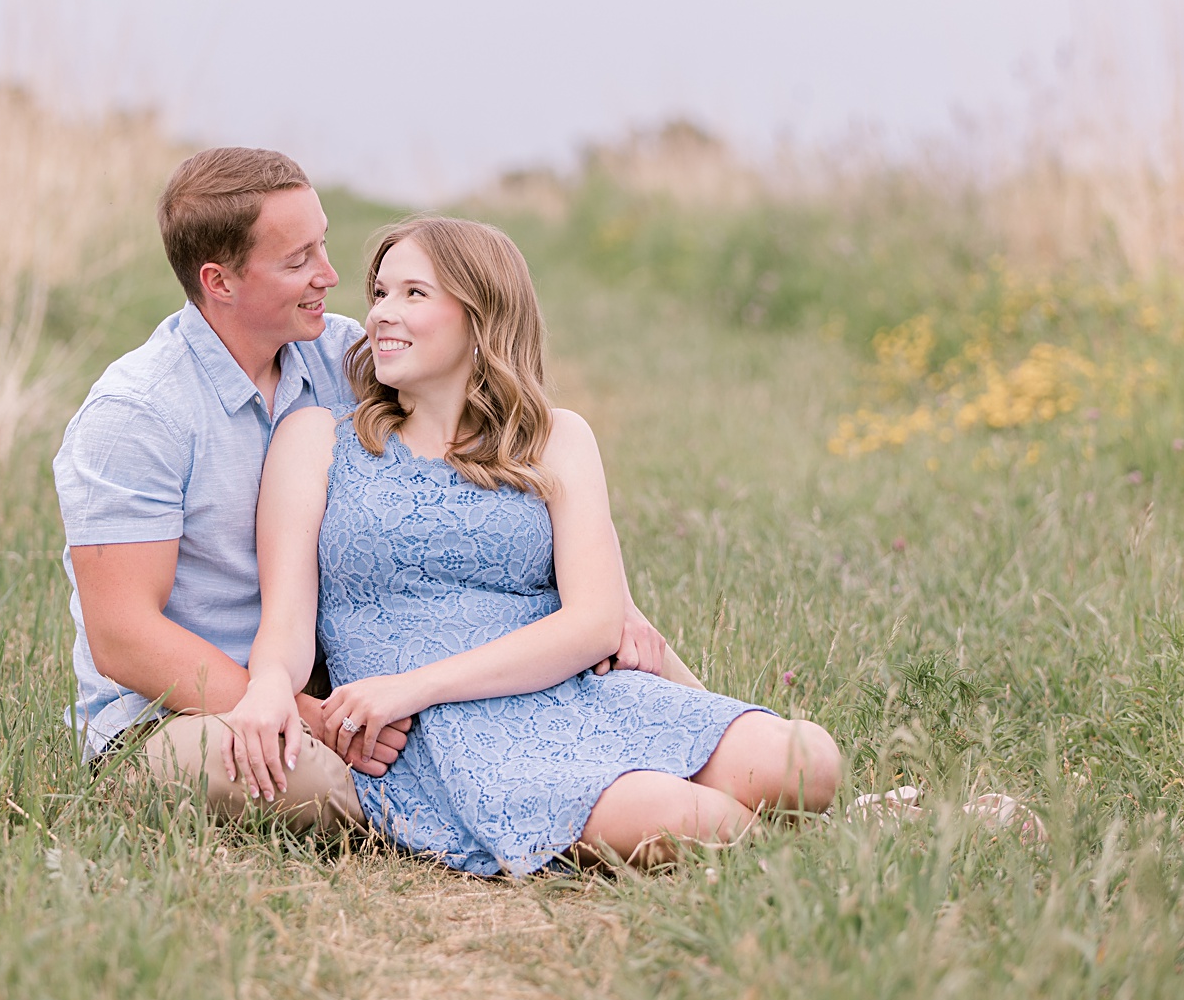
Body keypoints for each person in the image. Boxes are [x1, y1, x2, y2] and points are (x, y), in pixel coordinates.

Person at [52, 148, 700, 833]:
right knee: (318, 782)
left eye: (323, 244)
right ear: (221, 280)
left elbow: (501, 440)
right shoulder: (138, 413)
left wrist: (614, 602)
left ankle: (650, 760)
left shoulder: (343, 355)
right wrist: (300, 712)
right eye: (298, 260)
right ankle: (499, 812)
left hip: (342, 684)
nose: (330, 276)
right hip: (180, 710)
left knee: (505, 708)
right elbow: (122, 636)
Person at [220, 216, 842, 874]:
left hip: (569, 694)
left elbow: (594, 621)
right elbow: (285, 621)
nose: (380, 314)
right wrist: (268, 687)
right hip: (443, 739)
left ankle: (773, 826)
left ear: (481, 317)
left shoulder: (556, 439)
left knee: (809, 762)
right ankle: (778, 843)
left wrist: (412, 686)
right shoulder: (317, 439)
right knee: (697, 822)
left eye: (413, 294)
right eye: (379, 293)